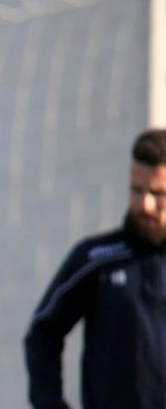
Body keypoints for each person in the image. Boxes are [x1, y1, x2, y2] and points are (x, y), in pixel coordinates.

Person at [24, 129, 166, 409]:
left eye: (157, 193)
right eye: (137, 190)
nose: (145, 205)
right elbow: (43, 332)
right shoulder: (96, 259)